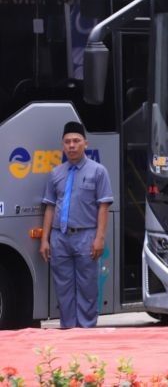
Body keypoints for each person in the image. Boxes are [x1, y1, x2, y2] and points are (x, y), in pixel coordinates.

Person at [39, 122, 113, 328]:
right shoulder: (56, 173)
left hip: (86, 237)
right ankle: (68, 329)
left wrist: (99, 238)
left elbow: (103, 207)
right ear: (63, 145)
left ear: (85, 144)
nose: (72, 145)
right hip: (59, 238)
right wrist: (45, 239)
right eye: (68, 142)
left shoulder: (98, 171)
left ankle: (85, 332)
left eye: (76, 141)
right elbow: (50, 207)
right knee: (63, 287)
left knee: (87, 287)